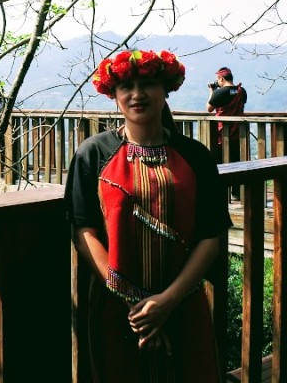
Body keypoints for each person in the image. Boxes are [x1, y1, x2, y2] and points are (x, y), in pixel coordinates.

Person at [65, 49, 232, 383]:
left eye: (149, 84)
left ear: (165, 90)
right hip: (116, 309)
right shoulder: (92, 154)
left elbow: (210, 237)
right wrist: (135, 305)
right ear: (113, 94)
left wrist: (166, 302)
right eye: (127, 86)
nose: (137, 94)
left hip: (183, 302)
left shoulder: (195, 157)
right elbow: (84, 232)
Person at [205, 66, 248, 163]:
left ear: (221, 79)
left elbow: (209, 109)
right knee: (236, 163)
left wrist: (212, 92)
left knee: (221, 162)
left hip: (222, 134)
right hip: (239, 134)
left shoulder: (219, 93)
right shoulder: (241, 91)